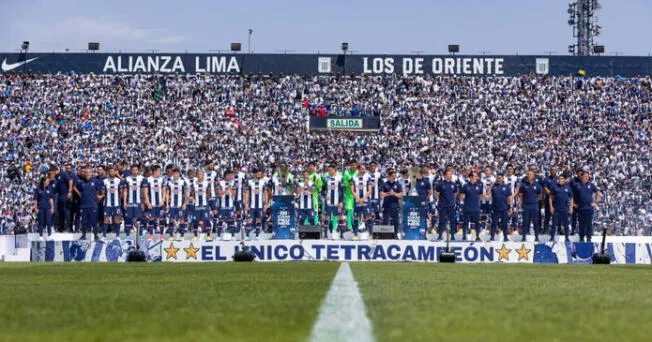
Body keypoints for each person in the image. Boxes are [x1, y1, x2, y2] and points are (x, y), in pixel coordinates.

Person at [73, 167, 102, 240]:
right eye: (86, 172)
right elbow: (78, 191)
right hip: (83, 205)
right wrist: (81, 196)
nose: (88, 174)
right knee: (84, 222)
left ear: (92, 173)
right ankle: (83, 235)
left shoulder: (96, 182)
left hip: (93, 205)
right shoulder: (81, 182)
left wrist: (96, 201)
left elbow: (98, 193)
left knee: (94, 221)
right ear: (84, 173)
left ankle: (96, 235)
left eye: (89, 172)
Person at [573, 171, 602, 242]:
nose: (587, 177)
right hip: (580, 208)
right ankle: (581, 237)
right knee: (581, 224)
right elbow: (571, 195)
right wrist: (573, 204)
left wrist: (596, 201)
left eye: (588, 176)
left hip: (589, 208)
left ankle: (589, 238)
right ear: (581, 177)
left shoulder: (591, 185)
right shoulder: (577, 185)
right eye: (585, 176)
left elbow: (598, 192)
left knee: (589, 224)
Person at [122, 164, 150, 237]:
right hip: (130, 202)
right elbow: (125, 191)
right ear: (131, 170)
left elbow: (144, 192)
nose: (134, 171)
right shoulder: (127, 179)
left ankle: (140, 235)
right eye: (133, 170)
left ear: (138, 170)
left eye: (136, 170)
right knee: (128, 219)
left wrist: (143, 202)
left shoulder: (142, 179)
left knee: (139, 219)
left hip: (138, 202)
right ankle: (127, 236)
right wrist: (125, 202)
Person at [244, 168, 271, 238]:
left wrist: (266, 204)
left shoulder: (263, 182)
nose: (260, 175)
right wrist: (246, 204)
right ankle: (247, 235)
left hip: (260, 205)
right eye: (258, 174)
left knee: (259, 220)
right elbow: (247, 193)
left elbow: (266, 194)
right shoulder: (249, 182)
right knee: (249, 220)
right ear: (254, 174)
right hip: (251, 205)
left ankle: (257, 235)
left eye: (260, 174)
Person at [519, 170, 543, 242]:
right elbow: (521, 195)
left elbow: (540, 195)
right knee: (525, 222)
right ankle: (523, 237)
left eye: (530, 174)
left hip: (534, 206)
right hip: (526, 206)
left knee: (536, 222)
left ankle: (536, 237)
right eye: (528, 174)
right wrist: (521, 203)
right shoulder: (524, 185)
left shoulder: (537, 185)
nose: (529, 175)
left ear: (534, 176)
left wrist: (536, 201)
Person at [460, 172, 484, 241]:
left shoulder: (479, 186)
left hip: (476, 208)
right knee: (465, 222)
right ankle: (464, 236)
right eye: (475, 176)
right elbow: (461, 197)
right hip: (467, 208)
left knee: (477, 223)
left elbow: (481, 195)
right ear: (470, 177)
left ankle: (477, 236)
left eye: (476, 176)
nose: (476, 177)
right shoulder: (465, 186)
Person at [435, 168, 458, 241]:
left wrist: (452, 202)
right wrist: (440, 203)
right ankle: (440, 235)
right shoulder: (440, 184)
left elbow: (455, 194)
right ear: (445, 175)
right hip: (443, 205)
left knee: (452, 221)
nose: (450, 176)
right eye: (448, 174)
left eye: (451, 174)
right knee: (442, 221)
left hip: (451, 206)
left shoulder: (454, 184)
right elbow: (437, 194)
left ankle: (452, 236)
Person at [100, 166, 123, 239]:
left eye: (113, 171)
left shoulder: (118, 181)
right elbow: (103, 192)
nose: (111, 173)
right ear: (108, 172)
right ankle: (104, 236)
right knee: (106, 219)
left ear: (115, 172)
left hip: (116, 204)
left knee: (117, 219)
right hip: (107, 204)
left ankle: (117, 236)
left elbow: (121, 192)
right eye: (110, 171)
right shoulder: (105, 181)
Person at [322, 164, 344, 237]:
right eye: (328, 170)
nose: (329, 171)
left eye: (331, 170)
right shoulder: (326, 178)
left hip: (337, 202)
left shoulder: (340, 178)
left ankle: (341, 234)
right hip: (328, 202)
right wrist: (325, 195)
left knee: (340, 216)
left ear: (335, 170)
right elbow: (323, 190)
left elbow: (343, 191)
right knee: (326, 217)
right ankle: (325, 234)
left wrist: (341, 201)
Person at [549, 174, 573, 242]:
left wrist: (571, 207)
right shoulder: (554, 187)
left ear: (565, 180)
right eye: (559, 179)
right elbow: (550, 198)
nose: (560, 180)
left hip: (565, 209)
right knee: (554, 224)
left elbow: (571, 198)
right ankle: (552, 237)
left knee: (566, 225)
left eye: (562, 179)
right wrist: (551, 207)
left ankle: (567, 238)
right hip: (556, 209)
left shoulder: (568, 188)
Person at [489, 174, 513, 242]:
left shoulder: (507, 187)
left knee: (504, 224)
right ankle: (492, 237)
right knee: (494, 224)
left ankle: (505, 237)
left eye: (500, 178)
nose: (498, 179)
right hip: (495, 208)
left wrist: (510, 207)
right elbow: (488, 195)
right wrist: (491, 186)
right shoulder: (494, 187)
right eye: (497, 178)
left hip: (504, 208)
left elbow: (510, 198)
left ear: (503, 178)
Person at [166, 168, 187, 240]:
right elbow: (167, 194)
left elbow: (186, 194)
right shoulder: (169, 182)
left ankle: (182, 236)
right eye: (174, 173)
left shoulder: (183, 182)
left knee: (181, 219)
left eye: (177, 173)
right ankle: (171, 236)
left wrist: (185, 204)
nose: (175, 175)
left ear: (179, 174)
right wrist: (167, 204)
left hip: (180, 205)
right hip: (172, 205)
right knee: (171, 219)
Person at [380, 170, 403, 239]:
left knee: (396, 221)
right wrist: (389, 193)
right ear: (389, 176)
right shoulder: (384, 184)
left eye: (395, 176)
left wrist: (394, 193)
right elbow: (381, 194)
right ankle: (384, 235)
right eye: (392, 176)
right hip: (386, 206)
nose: (394, 177)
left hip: (395, 205)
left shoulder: (398, 184)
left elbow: (401, 195)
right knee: (385, 221)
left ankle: (395, 235)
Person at [190, 170, 212, 240]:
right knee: (196, 221)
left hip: (204, 204)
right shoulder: (194, 184)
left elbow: (209, 193)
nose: (199, 175)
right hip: (196, 205)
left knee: (207, 220)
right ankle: (195, 236)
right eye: (198, 174)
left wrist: (206, 200)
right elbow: (192, 193)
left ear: (203, 175)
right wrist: (191, 198)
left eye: (200, 174)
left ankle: (208, 236)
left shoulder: (207, 183)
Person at [146, 165, 167, 239]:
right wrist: (147, 202)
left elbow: (164, 191)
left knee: (161, 218)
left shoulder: (162, 179)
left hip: (160, 203)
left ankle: (161, 235)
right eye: (159, 171)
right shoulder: (148, 180)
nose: (160, 172)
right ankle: (151, 235)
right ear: (155, 171)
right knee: (151, 218)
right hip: (152, 203)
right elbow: (145, 193)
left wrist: (163, 200)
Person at [351, 164, 371, 237]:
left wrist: (363, 198)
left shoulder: (368, 177)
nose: (364, 170)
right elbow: (352, 190)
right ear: (358, 169)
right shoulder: (353, 178)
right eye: (362, 168)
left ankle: (370, 234)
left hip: (366, 200)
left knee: (368, 216)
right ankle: (355, 234)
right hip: (357, 200)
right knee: (356, 217)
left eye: (364, 168)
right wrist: (358, 198)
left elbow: (370, 190)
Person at [218, 170, 238, 236]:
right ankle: (218, 236)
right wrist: (226, 190)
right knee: (220, 221)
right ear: (227, 175)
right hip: (222, 205)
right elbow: (219, 194)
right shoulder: (220, 183)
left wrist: (230, 189)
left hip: (230, 205)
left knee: (231, 221)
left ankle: (232, 236)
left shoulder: (233, 183)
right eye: (231, 175)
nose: (232, 177)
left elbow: (234, 194)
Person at [543, 166, 559, 235]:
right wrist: (551, 194)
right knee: (547, 216)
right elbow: (545, 188)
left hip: (557, 200)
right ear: (550, 171)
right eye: (552, 170)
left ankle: (558, 230)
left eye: (554, 170)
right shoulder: (547, 179)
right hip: (548, 199)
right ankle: (545, 230)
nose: (553, 171)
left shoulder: (559, 179)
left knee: (557, 216)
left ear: (556, 171)